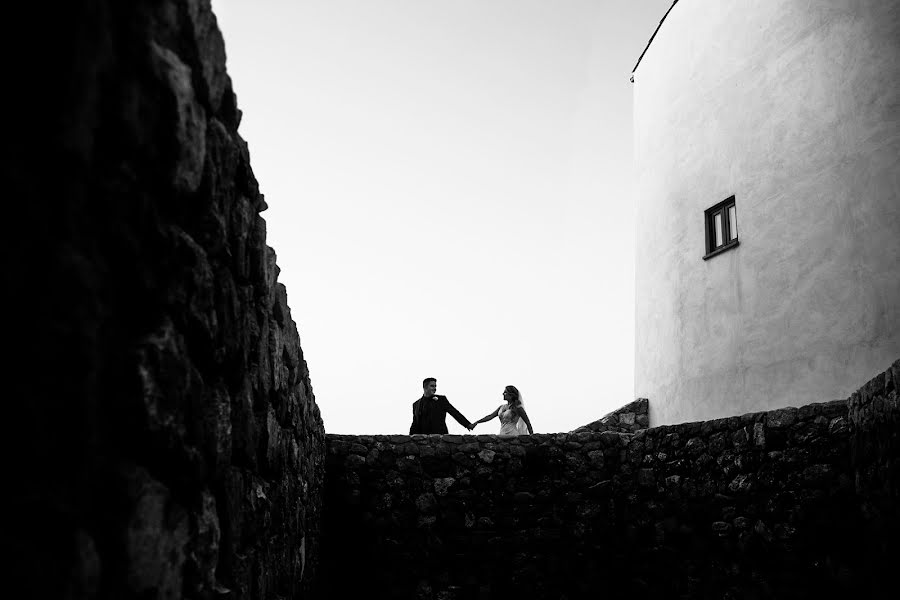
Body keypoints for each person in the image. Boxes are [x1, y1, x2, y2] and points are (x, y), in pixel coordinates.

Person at [409, 377, 474, 434]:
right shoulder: (416, 404)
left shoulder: (441, 400)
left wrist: (467, 424)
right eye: (432, 386)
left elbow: (454, 412)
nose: (434, 388)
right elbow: (415, 423)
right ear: (425, 387)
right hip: (423, 441)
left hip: (440, 438)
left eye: (435, 386)